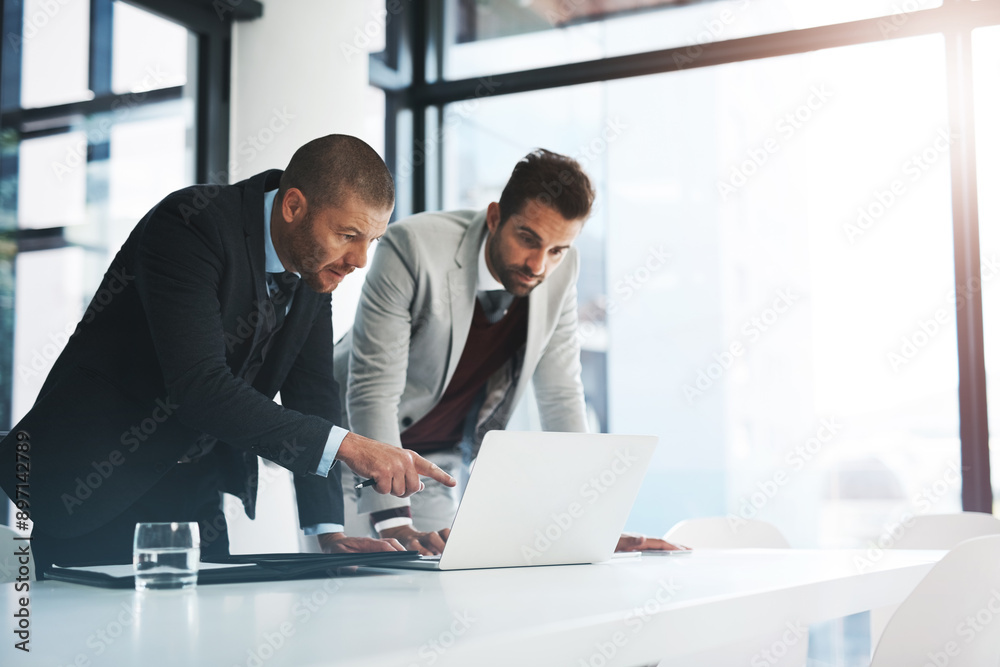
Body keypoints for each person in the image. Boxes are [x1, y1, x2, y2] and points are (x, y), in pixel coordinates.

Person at [0, 135, 455, 572]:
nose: (359, 259)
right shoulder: (189, 224)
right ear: (294, 206)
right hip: (94, 483)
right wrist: (351, 446)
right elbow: (200, 387)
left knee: (203, 645)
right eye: (349, 234)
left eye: (371, 240)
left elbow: (313, 391)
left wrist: (328, 531)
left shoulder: (317, 266)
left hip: (198, 494)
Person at [336, 149, 684, 554]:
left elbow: (561, 394)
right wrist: (394, 522)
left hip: (432, 464)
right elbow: (372, 390)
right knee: (359, 592)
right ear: (495, 217)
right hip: (356, 453)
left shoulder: (560, 271)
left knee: (434, 594)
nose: (539, 265)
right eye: (528, 239)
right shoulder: (411, 248)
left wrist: (592, 522)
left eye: (557, 250)